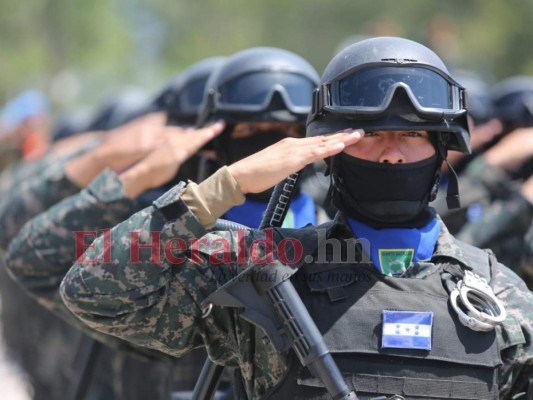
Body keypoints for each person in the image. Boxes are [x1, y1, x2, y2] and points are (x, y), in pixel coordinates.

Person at [61, 37, 533, 399]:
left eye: (412, 137)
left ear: (441, 151)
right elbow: (93, 292)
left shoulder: (502, 295)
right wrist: (225, 187)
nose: (391, 155)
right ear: (331, 149)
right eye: (371, 135)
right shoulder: (266, 269)